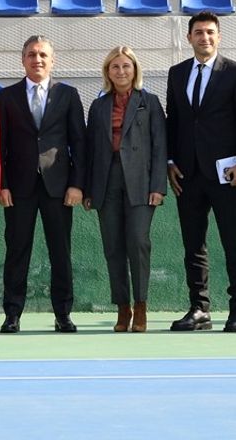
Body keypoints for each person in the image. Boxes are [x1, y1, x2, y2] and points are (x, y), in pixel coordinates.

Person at [165, 12, 236, 333]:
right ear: (189, 37)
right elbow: (173, 121)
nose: (204, 38)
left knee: (234, 242)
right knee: (193, 244)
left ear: (218, 37)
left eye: (210, 33)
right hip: (187, 174)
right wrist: (170, 161)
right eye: (198, 33)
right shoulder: (176, 74)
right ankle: (199, 308)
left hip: (226, 173)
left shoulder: (235, 73)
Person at [0, 36, 86, 334]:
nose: (38, 60)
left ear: (53, 59)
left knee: (60, 252)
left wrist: (76, 184)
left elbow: (79, 144)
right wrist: (2, 185)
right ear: (23, 60)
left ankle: (63, 314)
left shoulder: (68, 95)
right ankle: (12, 314)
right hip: (18, 188)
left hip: (58, 187)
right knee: (16, 251)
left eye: (43, 55)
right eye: (32, 55)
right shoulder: (7, 97)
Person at [84, 46, 167, 332]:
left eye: (126, 66)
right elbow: (89, 150)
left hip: (141, 183)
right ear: (108, 72)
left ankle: (141, 306)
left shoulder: (151, 102)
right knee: (113, 246)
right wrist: (88, 189)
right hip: (106, 182)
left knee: (138, 242)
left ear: (135, 70)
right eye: (115, 67)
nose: (121, 71)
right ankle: (122, 308)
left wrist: (158, 186)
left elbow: (160, 147)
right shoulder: (98, 106)